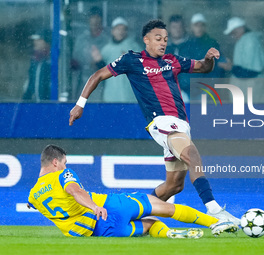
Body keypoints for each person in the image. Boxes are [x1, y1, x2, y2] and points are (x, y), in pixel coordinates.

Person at [69, 19, 241, 226]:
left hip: (181, 123)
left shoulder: (172, 60)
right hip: (162, 122)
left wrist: (208, 58)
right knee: (192, 155)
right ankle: (214, 209)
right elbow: (98, 75)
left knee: (174, 185)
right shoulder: (131, 60)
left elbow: (203, 68)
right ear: (146, 40)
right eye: (158, 38)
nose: (163, 43)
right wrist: (80, 104)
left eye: (166, 39)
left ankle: (131, 216)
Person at [27, 145, 238, 238]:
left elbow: (40, 200)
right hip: (109, 207)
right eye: (64, 162)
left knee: (150, 225)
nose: (65, 166)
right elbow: (74, 191)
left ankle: (168, 234)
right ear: (56, 162)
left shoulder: (33, 195)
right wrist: (94, 206)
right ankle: (216, 222)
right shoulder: (62, 175)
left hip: (101, 232)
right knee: (164, 208)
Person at [92, 17, 142, 103]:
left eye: (123, 29)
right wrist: (98, 61)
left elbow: (143, 68)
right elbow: (101, 72)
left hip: (130, 97)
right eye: (118, 29)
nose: (120, 32)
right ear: (112, 31)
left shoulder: (133, 47)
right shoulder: (107, 49)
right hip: (110, 97)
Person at [180, 13, 226, 99]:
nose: (199, 28)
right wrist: (181, 87)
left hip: (205, 89)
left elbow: (219, 66)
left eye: (201, 25)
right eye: (196, 25)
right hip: (187, 90)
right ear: (191, 27)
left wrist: (211, 86)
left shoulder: (212, 44)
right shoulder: (185, 46)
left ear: (205, 27)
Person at [222, 17, 264, 103]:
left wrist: (231, 68)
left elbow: (251, 71)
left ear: (241, 28)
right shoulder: (245, 40)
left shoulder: (250, 41)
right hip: (248, 88)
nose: (233, 36)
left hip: (251, 87)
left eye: (234, 33)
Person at [72, 6, 110, 102]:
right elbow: (74, 62)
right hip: (81, 82)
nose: (94, 20)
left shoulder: (107, 40)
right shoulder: (81, 39)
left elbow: (112, 64)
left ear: (101, 19)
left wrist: (99, 64)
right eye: (92, 17)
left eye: (97, 17)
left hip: (101, 83)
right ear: (88, 20)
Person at [23, 29, 52, 102]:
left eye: (39, 39)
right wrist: (24, 103)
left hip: (50, 106)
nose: (35, 42)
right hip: (37, 106)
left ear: (47, 42)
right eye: (35, 39)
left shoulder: (54, 61)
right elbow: (30, 85)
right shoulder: (35, 61)